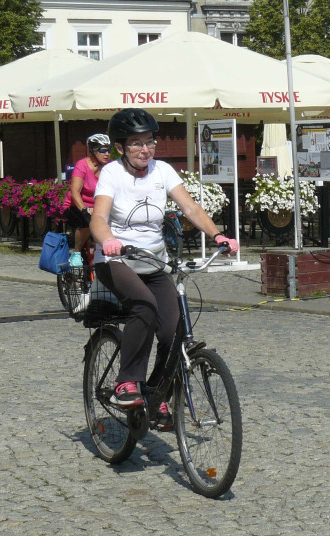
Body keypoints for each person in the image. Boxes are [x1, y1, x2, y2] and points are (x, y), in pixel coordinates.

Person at [90, 108, 238, 418]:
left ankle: (156, 391)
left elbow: (190, 208)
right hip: (117, 260)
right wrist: (108, 240)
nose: (145, 149)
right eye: (136, 143)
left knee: (172, 331)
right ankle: (127, 383)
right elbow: (99, 218)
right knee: (144, 305)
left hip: (153, 261)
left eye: (149, 142)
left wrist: (218, 235)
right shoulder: (111, 174)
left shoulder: (162, 170)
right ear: (120, 147)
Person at [64, 133, 113, 267]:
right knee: (88, 221)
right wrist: (84, 209)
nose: (107, 153)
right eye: (103, 150)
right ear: (92, 151)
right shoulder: (82, 165)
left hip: (99, 207)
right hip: (76, 205)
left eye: (109, 150)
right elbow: (75, 192)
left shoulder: (111, 167)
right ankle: (76, 253)